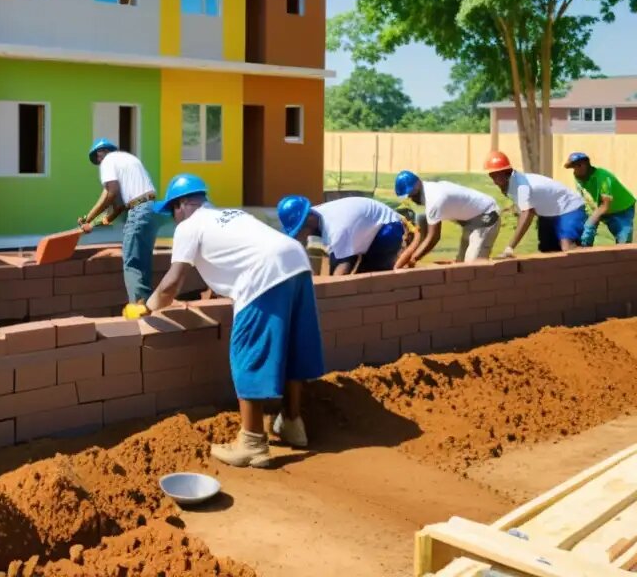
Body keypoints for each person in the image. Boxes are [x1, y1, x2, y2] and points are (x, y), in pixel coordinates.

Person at [129, 174, 324, 468]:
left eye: (172, 212)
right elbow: (227, 263)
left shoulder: (189, 227)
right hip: (296, 261)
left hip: (263, 274)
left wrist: (146, 308)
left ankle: (252, 444)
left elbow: (172, 283)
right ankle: (293, 424)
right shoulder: (228, 215)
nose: (173, 219)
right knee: (292, 347)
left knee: (247, 352)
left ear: (182, 204)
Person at [79, 138, 160, 303]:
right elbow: (117, 209)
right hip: (150, 210)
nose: (99, 162)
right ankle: (147, 306)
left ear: (102, 153)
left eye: (98, 158)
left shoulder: (109, 160)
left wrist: (89, 217)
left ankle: (138, 311)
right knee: (142, 262)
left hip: (138, 211)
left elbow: (110, 192)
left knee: (132, 264)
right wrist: (95, 224)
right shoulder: (129, 160)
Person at [484, 151, 586, 256]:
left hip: (569, 207)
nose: (494, 178)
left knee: (567, 247)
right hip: (549, 212)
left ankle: (595, 260)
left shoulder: (521, 186)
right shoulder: (510, 183)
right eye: (491, 174)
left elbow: (527, 213)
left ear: (507, 171)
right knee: (548, 251)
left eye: (497, 174)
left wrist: (510, 248)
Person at [392, 171, 501, 267]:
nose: (411, 199)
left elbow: (433, 237)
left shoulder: (434, 200)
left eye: (410, 196)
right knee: (461, 263)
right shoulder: (429, 189)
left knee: (473, 266)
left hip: (487, 215)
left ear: (416, 190)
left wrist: (413, 259)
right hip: (472, 219)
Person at [278, 195, 404, 275]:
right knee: (341, 262)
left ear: (308, 220)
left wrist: (332, 296)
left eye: (298, 230)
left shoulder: (336, 229)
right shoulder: (316, 217)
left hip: (388, 227)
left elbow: (343, 267)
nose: (297, 236)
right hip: (364, 227)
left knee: (369, 278)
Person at [564, 152, 635, 246]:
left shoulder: (603, 177)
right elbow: (585, 199)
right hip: (600, 207)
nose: (576, 169)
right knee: (586, 229)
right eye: (573, 167)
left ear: (587, 164)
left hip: (622, 208)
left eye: (579, 165)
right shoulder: (578, 178)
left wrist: (591, 220)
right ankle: (584, 252)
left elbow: (605, 205)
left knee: (624, 241)